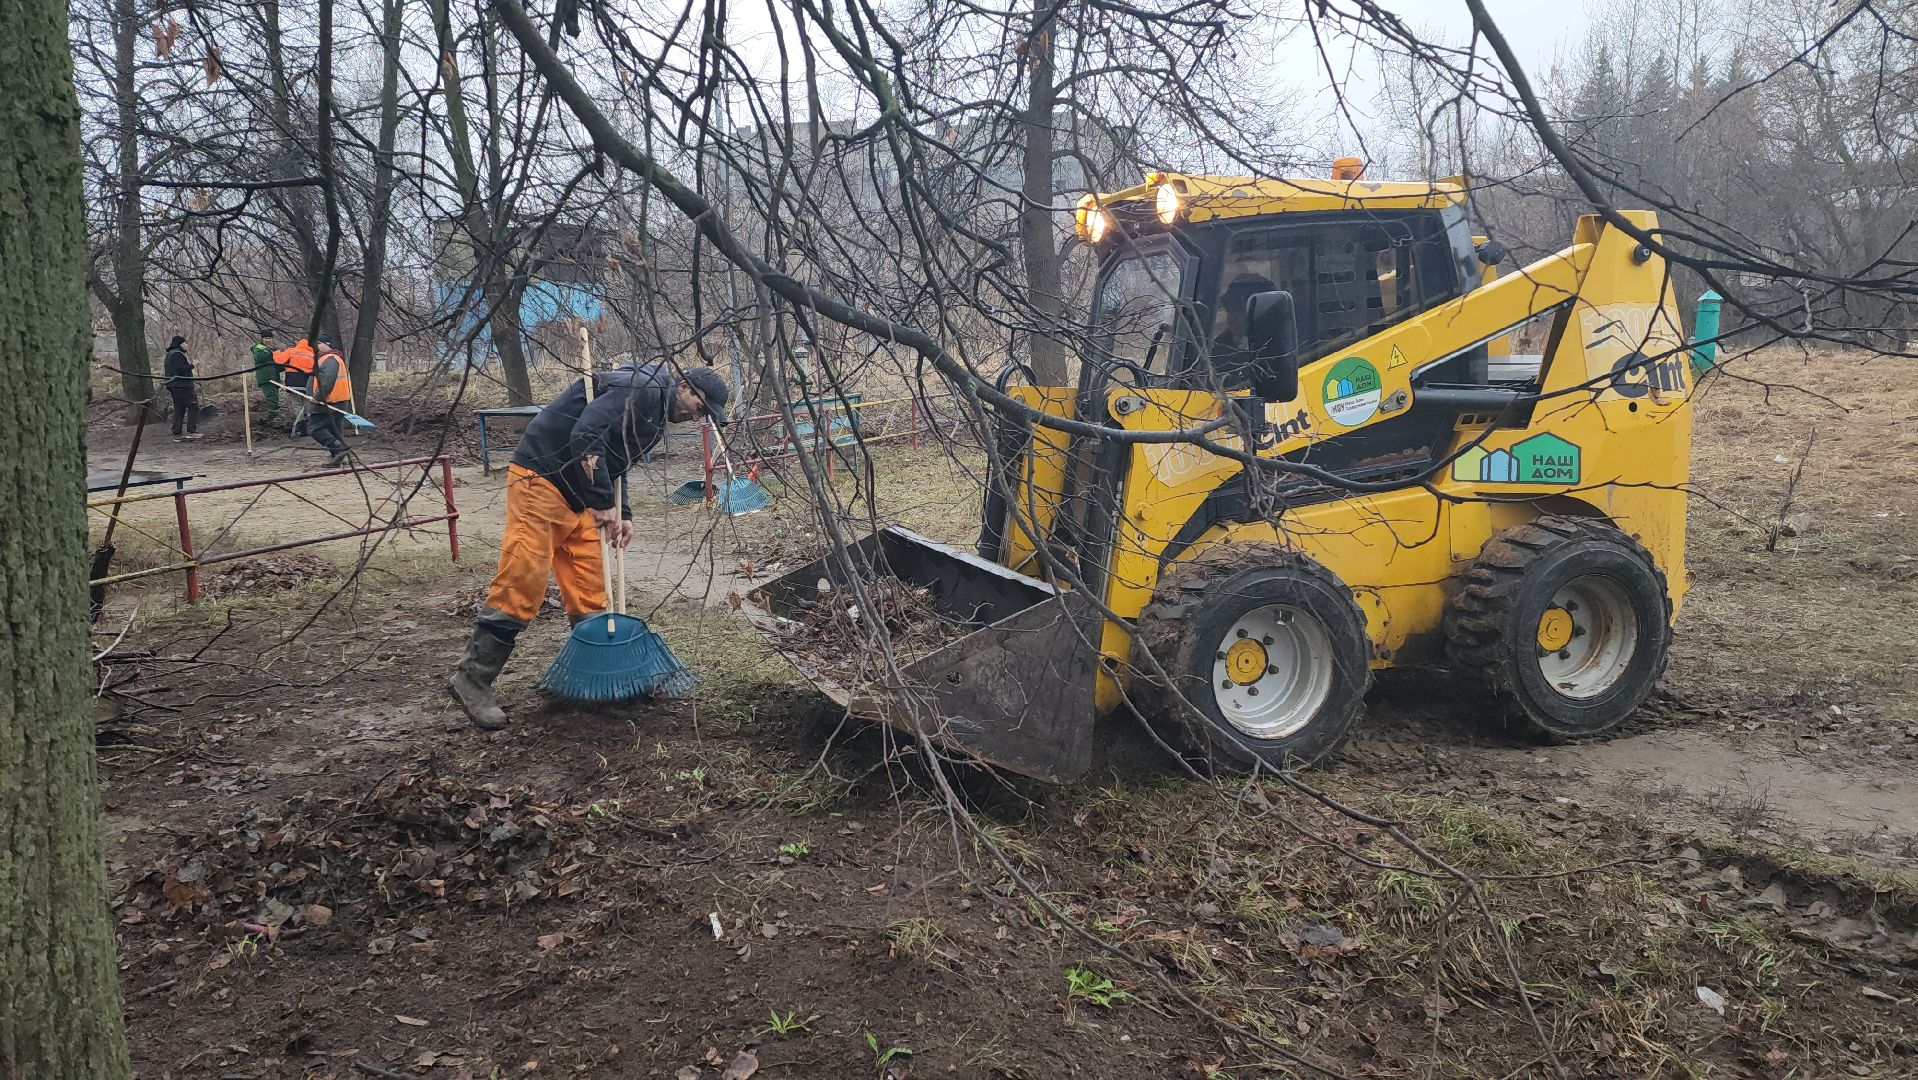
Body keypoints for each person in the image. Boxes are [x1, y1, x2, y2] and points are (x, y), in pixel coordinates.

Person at [447, 362, 730, 731]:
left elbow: (614, 455)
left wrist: (622, 510)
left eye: (705, 416)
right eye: (701, 408)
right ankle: (472, 679)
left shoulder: (656, 411)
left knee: (589, 590)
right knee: (524, 581)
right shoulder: (641, 389)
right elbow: (586, 435)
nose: (698, 418)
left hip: (577, 494)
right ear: (684, 386)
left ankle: (595, 682)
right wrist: (601, 501)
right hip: (542, 476)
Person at [306, 343, 353, 468]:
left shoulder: (329, 360)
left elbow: (326, 382)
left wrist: (318, 397)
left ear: (325, 345)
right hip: (337, 402)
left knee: (315, 429)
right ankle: (337, 458)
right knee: (334, 431)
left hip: (327, 403)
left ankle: (340, 449)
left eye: (318, 344)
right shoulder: (331, 358)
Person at [274, 336, 316, 436]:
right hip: (308, 384)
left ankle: (299, 427)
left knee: (297, 405)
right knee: (307, 406)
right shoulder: (312, 355)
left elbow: (279, 360)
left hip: (293, 383)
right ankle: (310, 427)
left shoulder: (291, 351)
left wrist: (276, 352)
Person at [162, 335, 202, 439]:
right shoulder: (177, 354)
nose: (187, 345)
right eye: (185, 343)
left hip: (174, 384)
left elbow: (177, 371)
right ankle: (191, 431)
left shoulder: (171, 354)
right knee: (193, 406)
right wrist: (193, 364)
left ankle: (177, 431)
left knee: (179, 407)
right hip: (182, 385)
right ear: (180, 344)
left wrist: (193, 379)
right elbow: (180, 369)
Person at [251, 330, 280, 425]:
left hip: (274, 377)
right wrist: (269, 351)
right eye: (266, 338)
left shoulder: (271, 349)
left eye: (270, 338)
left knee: (275, 397)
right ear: (262, 338)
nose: (268, 340)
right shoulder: (258, 348)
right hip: (266, 378)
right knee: (271, 397)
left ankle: (274, 417)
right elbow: (259, 358)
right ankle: (272, 419)